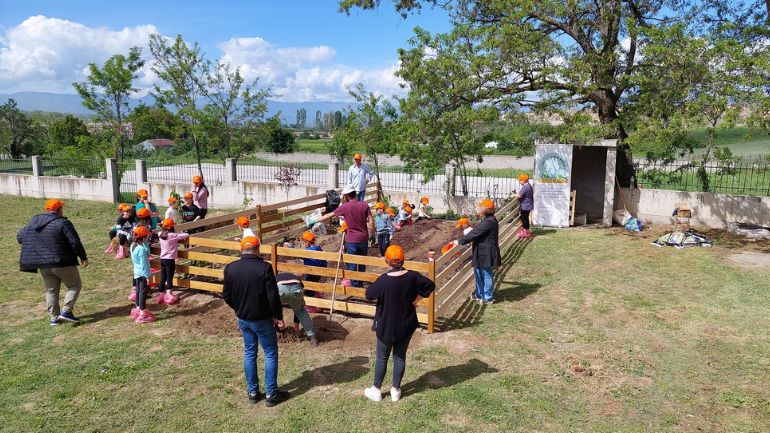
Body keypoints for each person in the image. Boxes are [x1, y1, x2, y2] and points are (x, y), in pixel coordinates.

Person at [223, 236, 290, 406]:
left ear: (241, 250)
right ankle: (271, 394)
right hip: (262, 319)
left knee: (250, 352)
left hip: (243, 318)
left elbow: (227, 295)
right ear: (258, 249)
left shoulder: (231, 268)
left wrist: (238, 309)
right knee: (270, 353)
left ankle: (253, 392)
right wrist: (278, 317)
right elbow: (273, 297)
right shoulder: (265, 268)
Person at [363, 245, 435, 402]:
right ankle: (396, 390)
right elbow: (430, 285)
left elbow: (369, 294)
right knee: (400, 356)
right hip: (406, 324)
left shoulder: (383, 280)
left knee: (382, 357)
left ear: (386, 260)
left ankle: (376, 390)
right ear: (403, 260)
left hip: (386, 325)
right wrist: (417, 298)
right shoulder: (413, 276)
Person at [17, 199, 88, 326]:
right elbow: (74, 241)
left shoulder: (33, 223)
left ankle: (54, 318)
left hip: (42, 264)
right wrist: (83, 256)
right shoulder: (63, 223)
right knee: (74, 285)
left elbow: (20, 237)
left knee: (51, 291)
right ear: (59, 210)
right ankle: (66, 311)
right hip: (62, 262)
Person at [310, 184, 375, 288]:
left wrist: (314, 221)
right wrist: (373, 233)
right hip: (364, 238)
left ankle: (354, 285)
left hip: (352, 239)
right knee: (362, 261)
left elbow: (328, 215)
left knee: (352, 263)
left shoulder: (345, 207)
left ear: (346, 196)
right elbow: (371, 220)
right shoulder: (364, 205)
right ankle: (360, 282)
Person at [453, 198, 501, 305]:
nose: (478, 209)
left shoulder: (489, 221)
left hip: (486, 251)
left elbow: (475, 233)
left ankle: (488, 297)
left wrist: (460, 241)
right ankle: (480, 294)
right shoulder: (487, 219)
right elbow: (476, 231)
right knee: (478, 272)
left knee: (486, 273)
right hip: (481, 250)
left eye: (480, 207)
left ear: (485, 209)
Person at [275, 272, 319, 347]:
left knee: (274, 309)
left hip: (280, 289)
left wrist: (277, 315)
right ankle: (312, 338)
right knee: (300, 311)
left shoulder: (275, 278)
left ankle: (278, 333)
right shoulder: (295, 277)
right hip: (296, 288)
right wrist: (296, 328)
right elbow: (301, 289)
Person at [157, 218, 189, 305]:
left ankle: (160, 293)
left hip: (162, 259)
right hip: (170, 259)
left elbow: (160, 230)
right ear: (172, 227)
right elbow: (185, 235)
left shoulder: (160, 234)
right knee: (169, 277)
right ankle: (168, 293)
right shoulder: (173, 235)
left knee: (163, 276)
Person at [130, 225, 156, 323]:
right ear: (144, 237)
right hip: (143, 274)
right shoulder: (141, 250)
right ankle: (142, 313)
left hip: (136, 272)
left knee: (138, 291)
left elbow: (147, 252)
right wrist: (148, 277)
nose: (148, 238)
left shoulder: (134, 245)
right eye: (147, 237)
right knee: (143, 293)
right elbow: (144, 264)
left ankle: (138, 308)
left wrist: (145, 242)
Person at [513, 173, 534, 238]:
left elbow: (519, 195)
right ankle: (526, 231)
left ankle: (526, 233)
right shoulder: (529, 186)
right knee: (525, 218)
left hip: (525, 206)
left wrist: (513, 195)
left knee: (524, 219)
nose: (519, 181)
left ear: (523, 180)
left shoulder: (525, 187)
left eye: (520, 180)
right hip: (528, 205)